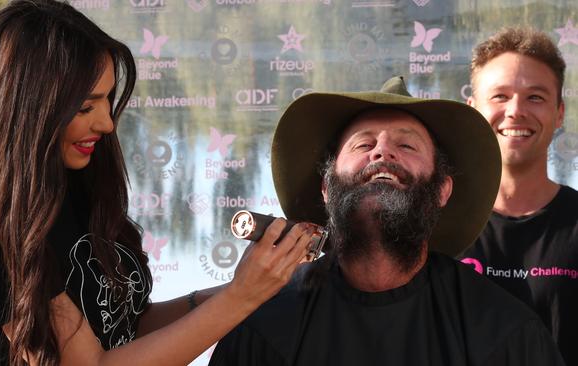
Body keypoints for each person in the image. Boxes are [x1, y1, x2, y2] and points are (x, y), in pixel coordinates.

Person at [0, 1, 313, 365]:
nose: (107, 123)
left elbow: (129, 329)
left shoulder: (77, 188)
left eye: (108, 101)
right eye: (85, 107)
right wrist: (241, 298)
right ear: (27, 109)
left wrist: (257, 283)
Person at [208, 76, 566, 365]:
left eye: (407, 146)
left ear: (442, 189)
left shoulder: (502, 331)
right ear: (326, 189)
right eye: (363, 145)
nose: (381, 151)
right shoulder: (266, 326)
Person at [459, 27, 578, 365]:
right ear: (472, 110)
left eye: (535, 97)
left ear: (559, 113)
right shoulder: (437, 227)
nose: (516, 110)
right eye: (500, 96)